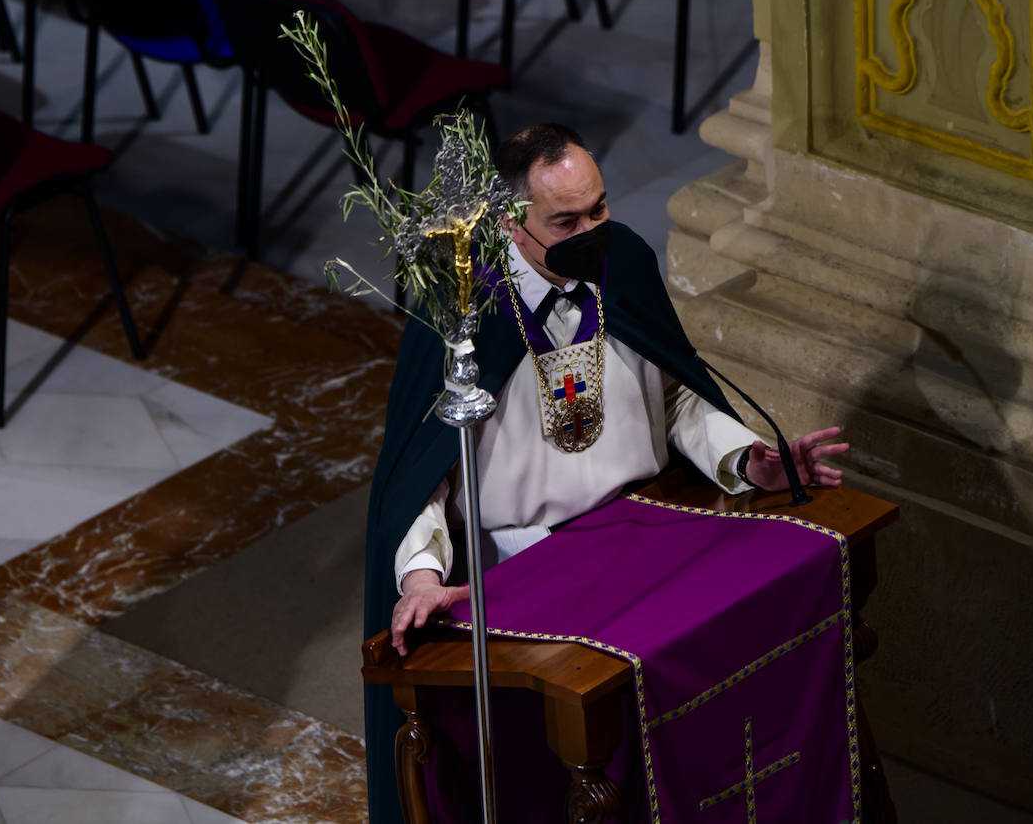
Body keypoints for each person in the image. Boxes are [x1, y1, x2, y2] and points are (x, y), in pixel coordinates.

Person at [362, 123, 850, 824]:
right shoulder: (461, 311)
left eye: (599, 209)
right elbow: (422, 474)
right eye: (566, 220)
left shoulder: (623, 264)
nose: (593, 230)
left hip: (643, 532)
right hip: (529, 567)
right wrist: (420, 575)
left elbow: (678, 393)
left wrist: (747, 459)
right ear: (512, 223)